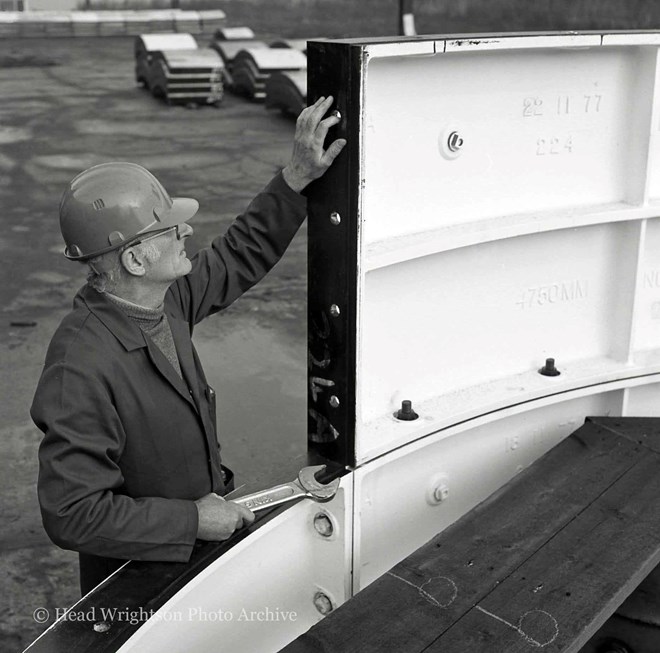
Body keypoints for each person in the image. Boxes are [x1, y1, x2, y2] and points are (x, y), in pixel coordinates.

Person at [30, 96, 346, 595]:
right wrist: (189, 521)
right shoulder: (81, 366)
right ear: (135, 259)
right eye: (169, 228)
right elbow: (72, 514)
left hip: (195, 555)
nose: (187, 231)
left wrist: (294, 179)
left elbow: (237, 253)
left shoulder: (163, 300)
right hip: (138, 583)